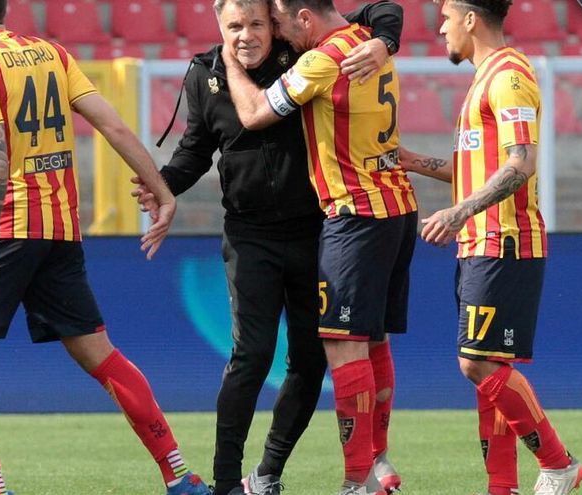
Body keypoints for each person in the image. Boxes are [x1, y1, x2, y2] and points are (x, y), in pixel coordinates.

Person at [0, 2, 209, 494]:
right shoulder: (51, 53)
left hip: (11, 226)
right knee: (100, 355)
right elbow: (113, 125)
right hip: (60, 228)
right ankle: (180, 476)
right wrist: (162, 191)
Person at [133, 0, 403, 493]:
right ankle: (225, 482)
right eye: (235, 26)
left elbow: (381, 9)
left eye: (257, 23)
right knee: (252, 356)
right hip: (249, 236)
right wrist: (163, 186)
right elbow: (195, 149)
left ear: (273, 24)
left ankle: (269, 472)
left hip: (313, 232)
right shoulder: (204, 74)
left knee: (310, 361)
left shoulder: (299, 51)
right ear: (219, 25)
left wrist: (385, 42)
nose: (247, 35)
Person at [221, 1, 418, 493]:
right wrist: (386, 38)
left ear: (305, 18)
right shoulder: (366, 41)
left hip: (355, 216)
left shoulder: (322, 59)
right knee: (372, 340)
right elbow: (386, 8)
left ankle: (357, 481)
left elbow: (254, 113)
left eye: (282, 24)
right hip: (397, 206)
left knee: (343, 346)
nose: (281, 35)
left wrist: (228, 61)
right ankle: (378, 462)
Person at [397, 1, 582, 494]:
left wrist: (458, 212)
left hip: (505, 240)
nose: (440, 27)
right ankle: (502, 487)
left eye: (446, 16)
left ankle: (559, 464)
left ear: (470, 19)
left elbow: (520, 164)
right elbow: (473, 169)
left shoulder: (509, 75)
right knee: (487, 366)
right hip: (478, 243)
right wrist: (412, 161)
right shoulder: (483, 79)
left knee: (476, 363)